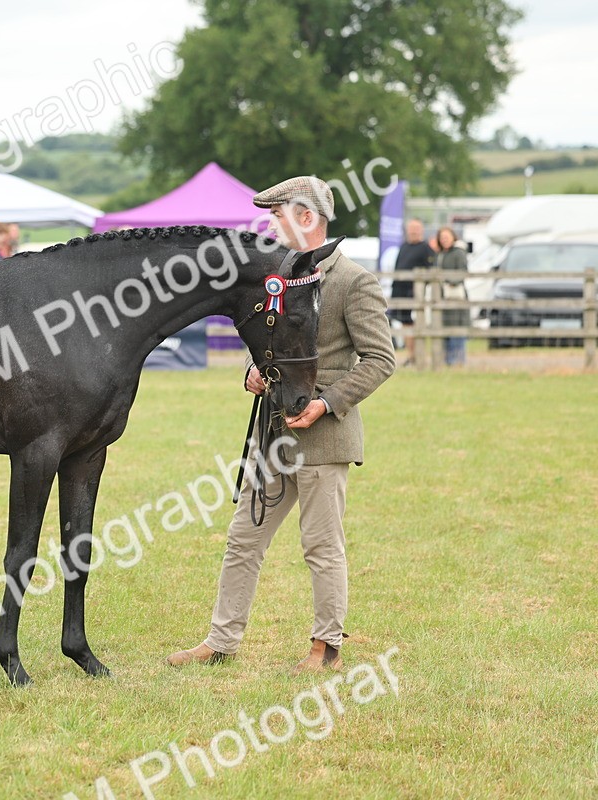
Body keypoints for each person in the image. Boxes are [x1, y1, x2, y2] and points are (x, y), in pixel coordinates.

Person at [166, 175, 396, 675]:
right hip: (273, 434)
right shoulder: (283, 275)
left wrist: (327, 403)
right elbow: (275, 348)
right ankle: (221, 641)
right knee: (242, 540)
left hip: (324, 435)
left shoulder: (353, 280)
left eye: (278, 215)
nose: (272, 224)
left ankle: (326, 648)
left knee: (321, 546)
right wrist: (256, 371)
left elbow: (380, 359)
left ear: (306, 217)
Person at [392, 220, 434, 363]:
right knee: (404, 323)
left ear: (421, 230)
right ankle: (411, 354)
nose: (413, 231)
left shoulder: (426, 248)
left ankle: (415, 355)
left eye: (416, 228)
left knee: (414, 323)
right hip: (399, 291)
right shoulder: (404, 246)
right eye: (411, 228)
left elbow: (431, 270)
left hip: (413, 292)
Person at [435, 227, 469, 366]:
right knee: (445, 329)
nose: (444, 239)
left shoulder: (458, 253)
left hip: (456, 297)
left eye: (446, 236)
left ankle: (458, 361)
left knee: (457, 329)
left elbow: (463, 272)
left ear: (453, 237)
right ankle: (449, 361)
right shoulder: (441, 254)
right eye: (442, 237)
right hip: (444, 296)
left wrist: (449, 282)